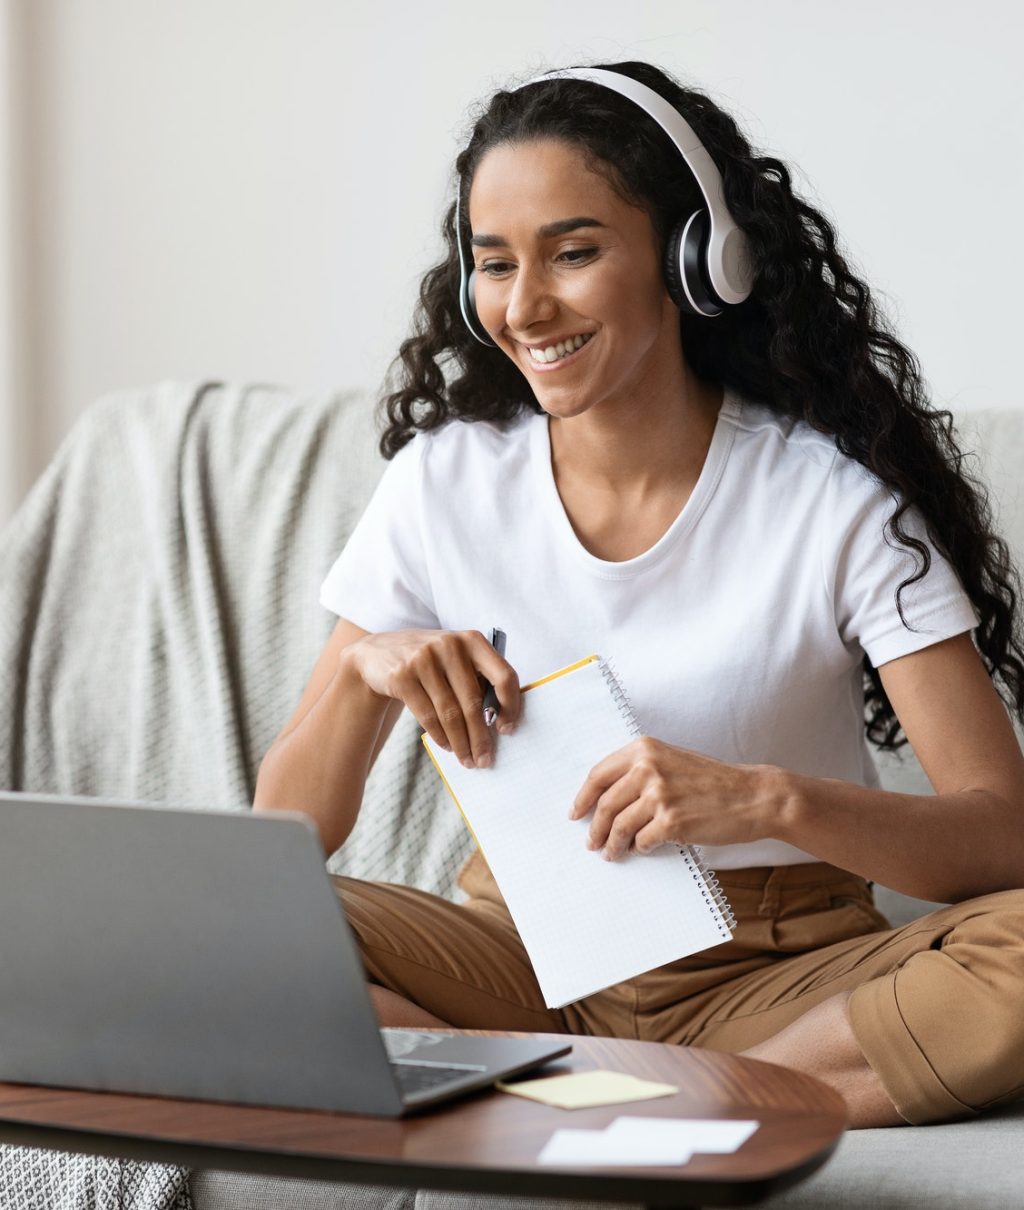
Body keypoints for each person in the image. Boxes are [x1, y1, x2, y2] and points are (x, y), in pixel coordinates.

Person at [253, 61, 1024, 1129]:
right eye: (494, 264)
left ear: (694, 262)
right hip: (518, 951)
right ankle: (646, 1098)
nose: (525, 306)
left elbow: (1001, 834)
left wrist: (763, 799)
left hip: (768, 970)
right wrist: (361, 666)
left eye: (573, 252)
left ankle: (574, 1099)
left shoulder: (828, 502)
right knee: (229, 929)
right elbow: (282, 833)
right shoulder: (445, 480)